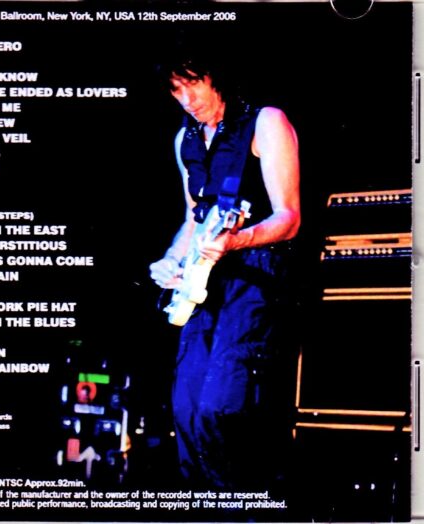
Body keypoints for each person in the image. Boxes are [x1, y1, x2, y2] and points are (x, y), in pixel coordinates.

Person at [149, 56, 301, 492]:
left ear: (216, 77)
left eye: (193, 83)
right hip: (205, 282)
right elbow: (193, 220)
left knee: (223, 407)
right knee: (186, 409)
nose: (186, 99)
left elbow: (289, 217)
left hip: (256, 278)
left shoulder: (265, 122)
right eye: (175, 90)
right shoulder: (185, 139)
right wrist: (172, 260)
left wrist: (238, 240)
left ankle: (247, 509)